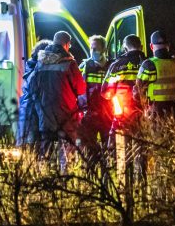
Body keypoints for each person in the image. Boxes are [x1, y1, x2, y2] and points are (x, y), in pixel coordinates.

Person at [28, 31, 86, 167]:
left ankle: (44, 176)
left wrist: (40, 105)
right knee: (65, 147)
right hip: (65, 112)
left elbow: (32, 87)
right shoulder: (69, 62)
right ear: (66, 44)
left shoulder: (40, 62)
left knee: (46, 146)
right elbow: (81, 88)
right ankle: (64, 179)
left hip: (45, 111)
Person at [134, 30, 175, 117]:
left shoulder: (148, 65)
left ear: (151, 46)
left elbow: (137, 91)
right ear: (168, 45)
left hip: (156, 114)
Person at [78, 35, 113, 162]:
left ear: (104, 49)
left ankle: (107, 175)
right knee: (89, 150)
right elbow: (80, 90)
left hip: (107, 114)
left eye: (95, 48)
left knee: (108, 148)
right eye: (91, 48)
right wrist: (83, 110)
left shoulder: (111, 66)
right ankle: (91, 175)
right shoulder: (85, 66)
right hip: (90, 115)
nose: (92, 51)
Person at [101, 34, 146, 124]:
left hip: (123, 116)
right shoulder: (149, 63)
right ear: (141, 47)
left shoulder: (116, 65)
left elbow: (105, 92)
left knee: (119, 137)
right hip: (145, 114)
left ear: (125, 49)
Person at [17, 39, 50, 149]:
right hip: (33, 111)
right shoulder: (37, 68)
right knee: (34, 144)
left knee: (30, 145)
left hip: (28, 110)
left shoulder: (31, 65)